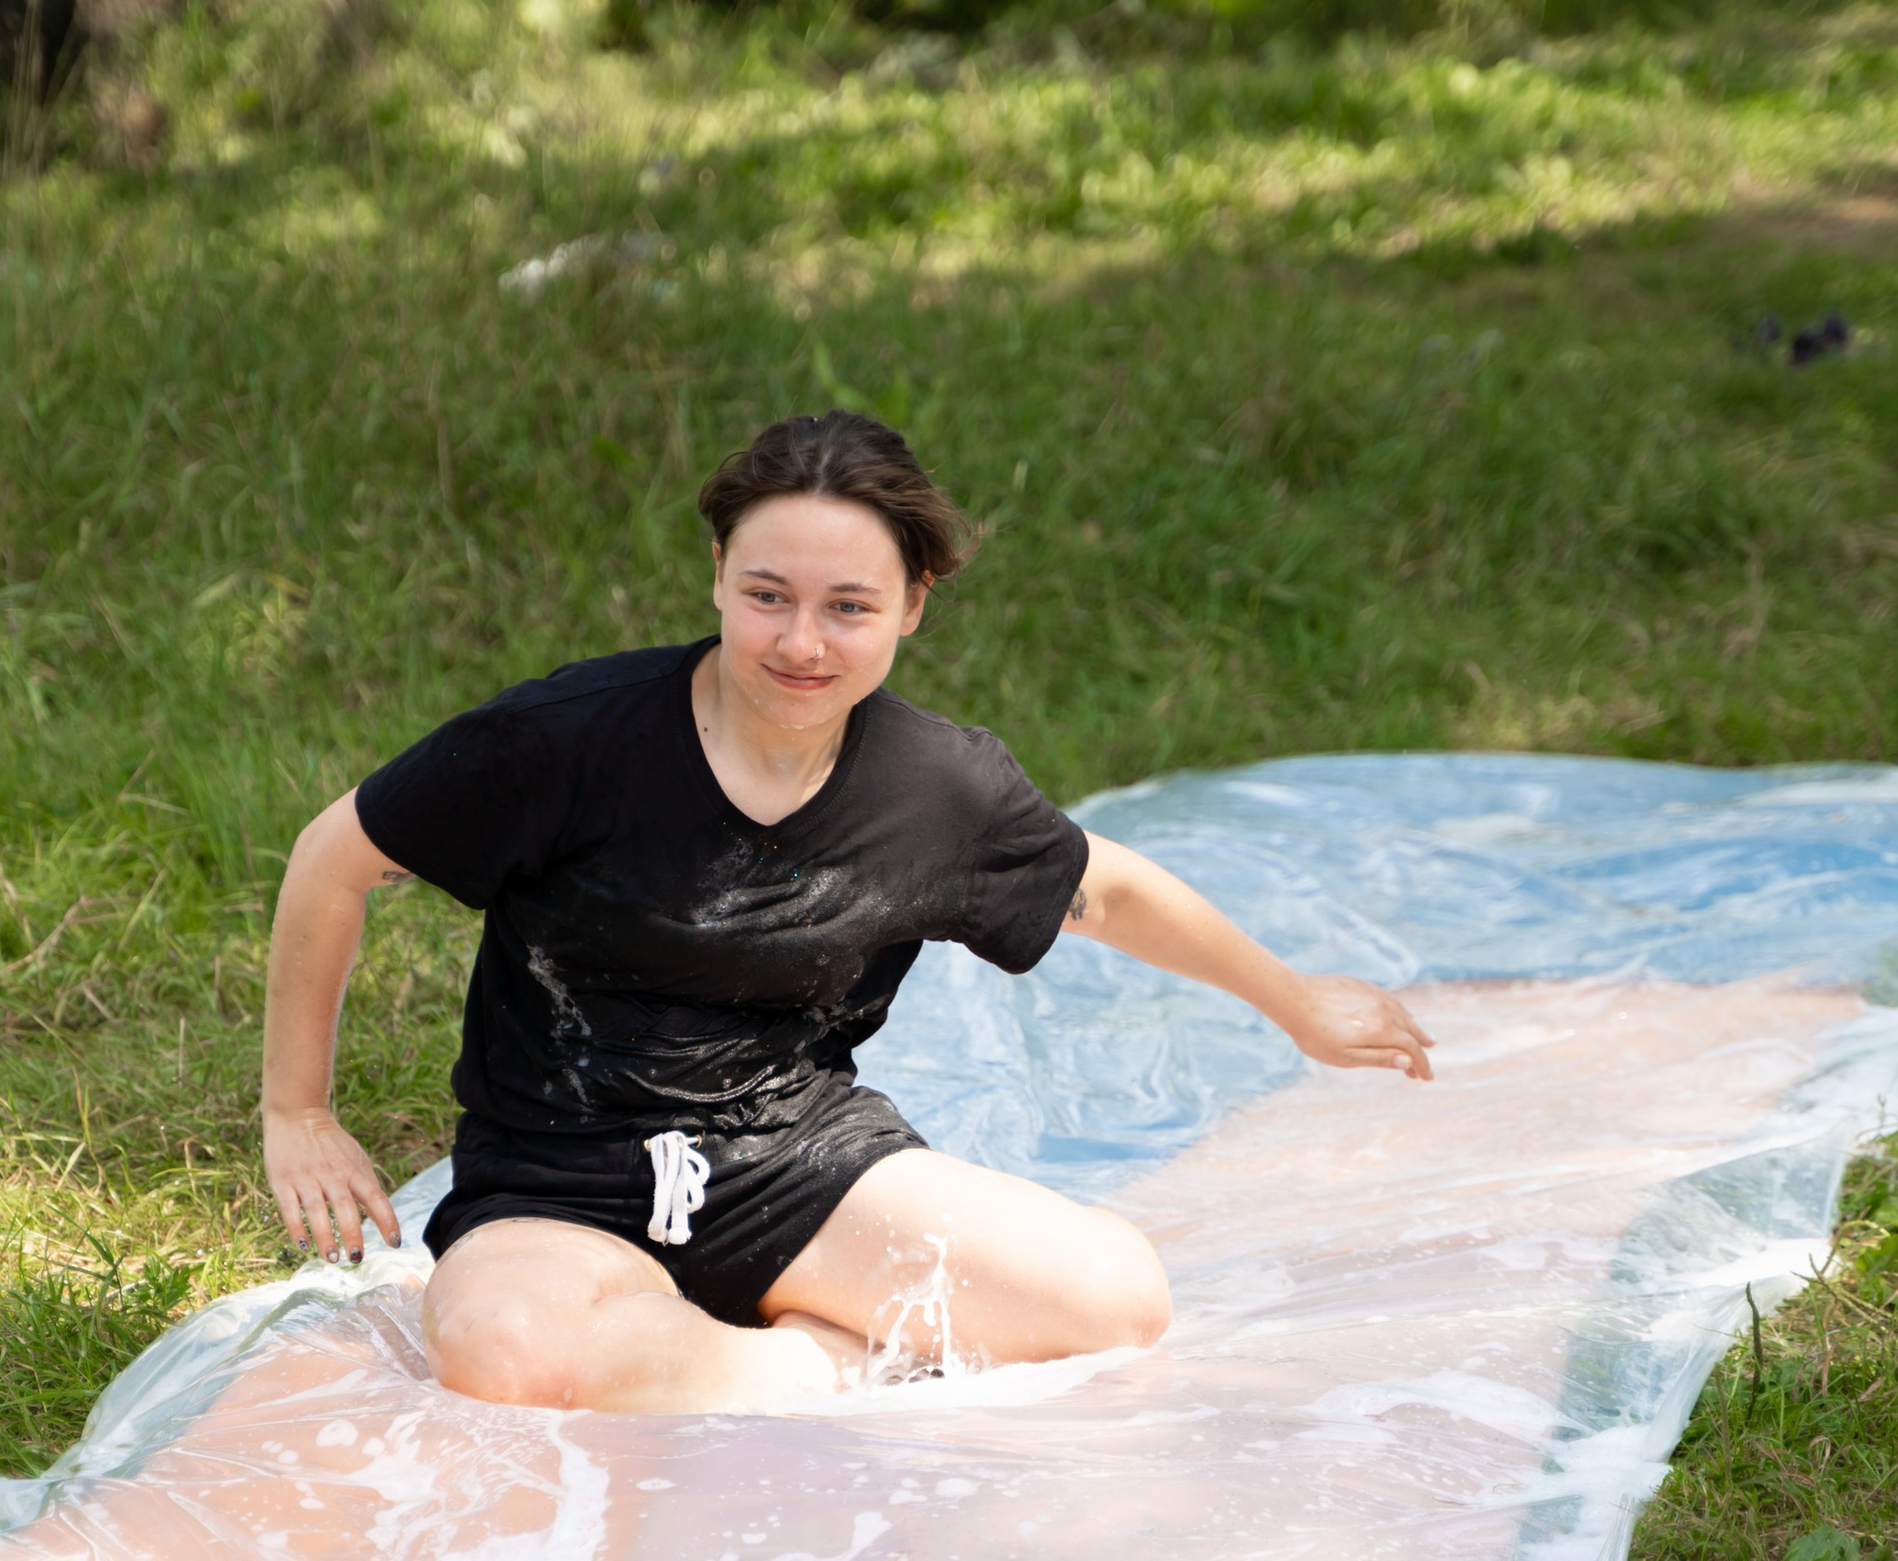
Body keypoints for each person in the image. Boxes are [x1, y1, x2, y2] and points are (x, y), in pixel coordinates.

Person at [261, 410, 1435, 1416]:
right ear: (716, 570)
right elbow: (335, 858)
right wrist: (295, 1109)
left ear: (913, 606)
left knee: (1114, 1299)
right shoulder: (565, 741)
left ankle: (742, 1367)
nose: (800, 643)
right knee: (501, 1357)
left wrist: (1295, 1002)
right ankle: (817, 1368)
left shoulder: (935, 787)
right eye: (766, 595)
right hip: (556, 1180)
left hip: (792, 1159)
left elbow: (1106, 888)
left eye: (848, 606)